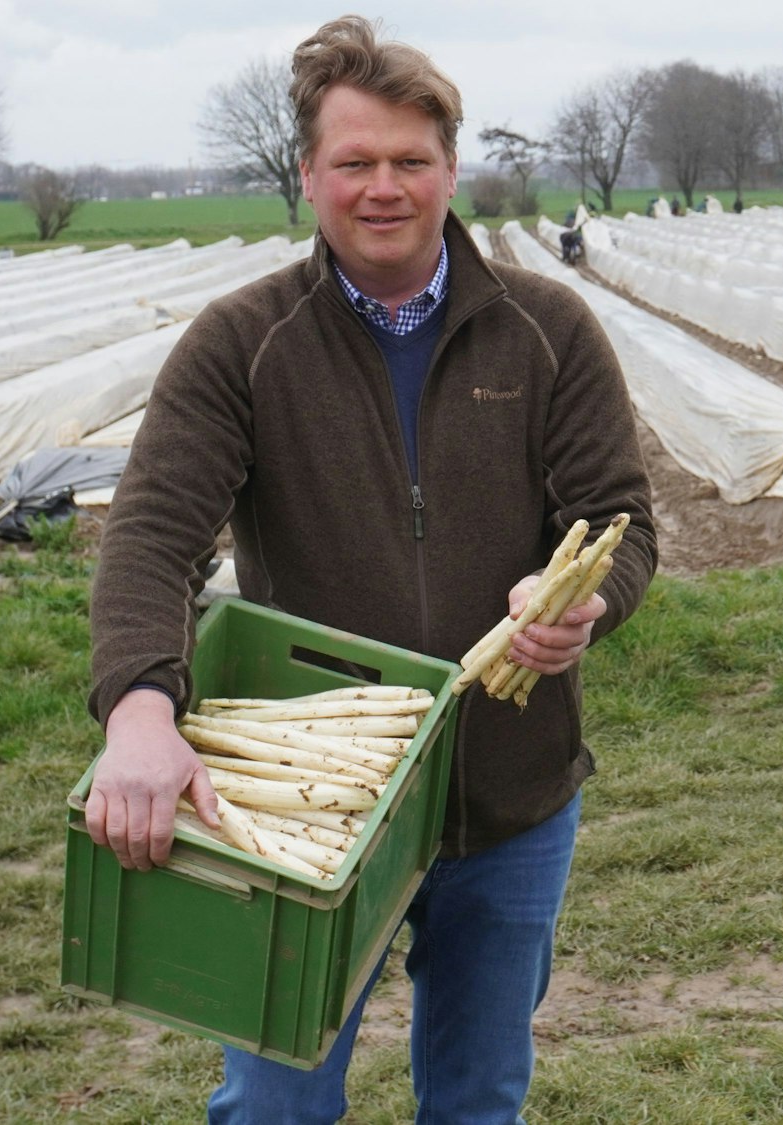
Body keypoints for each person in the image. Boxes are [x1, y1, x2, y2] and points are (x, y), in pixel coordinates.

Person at [82, 15, 656, 1124]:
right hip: (307, 805)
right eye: (353, 162)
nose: (383, 187)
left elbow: (619, 520)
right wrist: (140, 709)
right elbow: (151, 537)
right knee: (276, 1105)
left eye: (410, 160)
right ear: (307, 176)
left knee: (478, 1100)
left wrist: (585, 601)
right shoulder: (241, 343)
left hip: (508, 791)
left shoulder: (546, 328)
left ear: (451, 170)